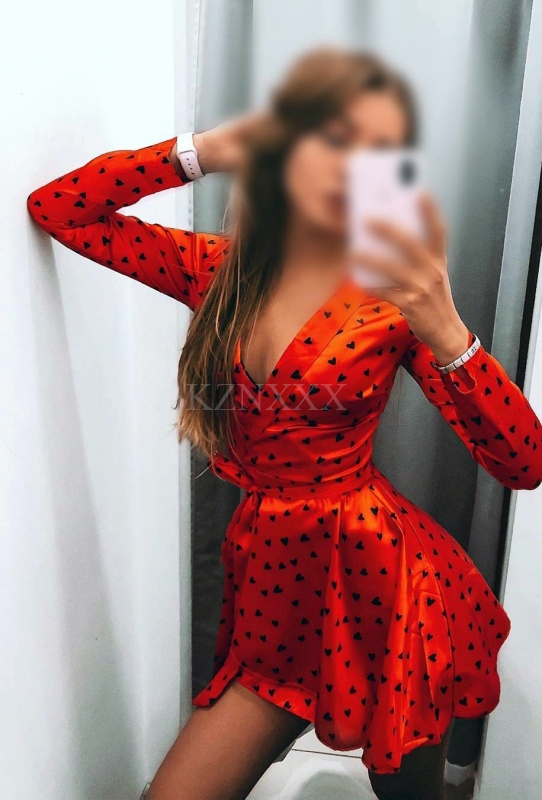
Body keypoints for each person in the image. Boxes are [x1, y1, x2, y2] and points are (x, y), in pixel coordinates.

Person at [27, 47, 542, 800]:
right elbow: (60, 210)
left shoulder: (392, 297)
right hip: (274, 593)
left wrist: (450, 335)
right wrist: (204, 151)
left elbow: (524, 462)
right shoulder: (219, 271)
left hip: (384, 590)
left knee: (409, 796)